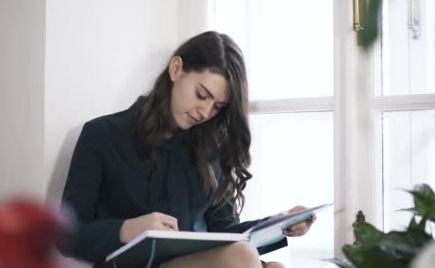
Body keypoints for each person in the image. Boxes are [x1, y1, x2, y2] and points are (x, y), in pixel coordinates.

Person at [59, 31, 316, 268]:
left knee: (273, 267)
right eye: (202, 94)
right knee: (243, 256)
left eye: (217, 107)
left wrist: (278, 223)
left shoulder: (210, 150)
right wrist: (128, 228)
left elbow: (225, 230)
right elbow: (67, 237)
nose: (205, 112)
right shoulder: (102, 135)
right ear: (176, 69)